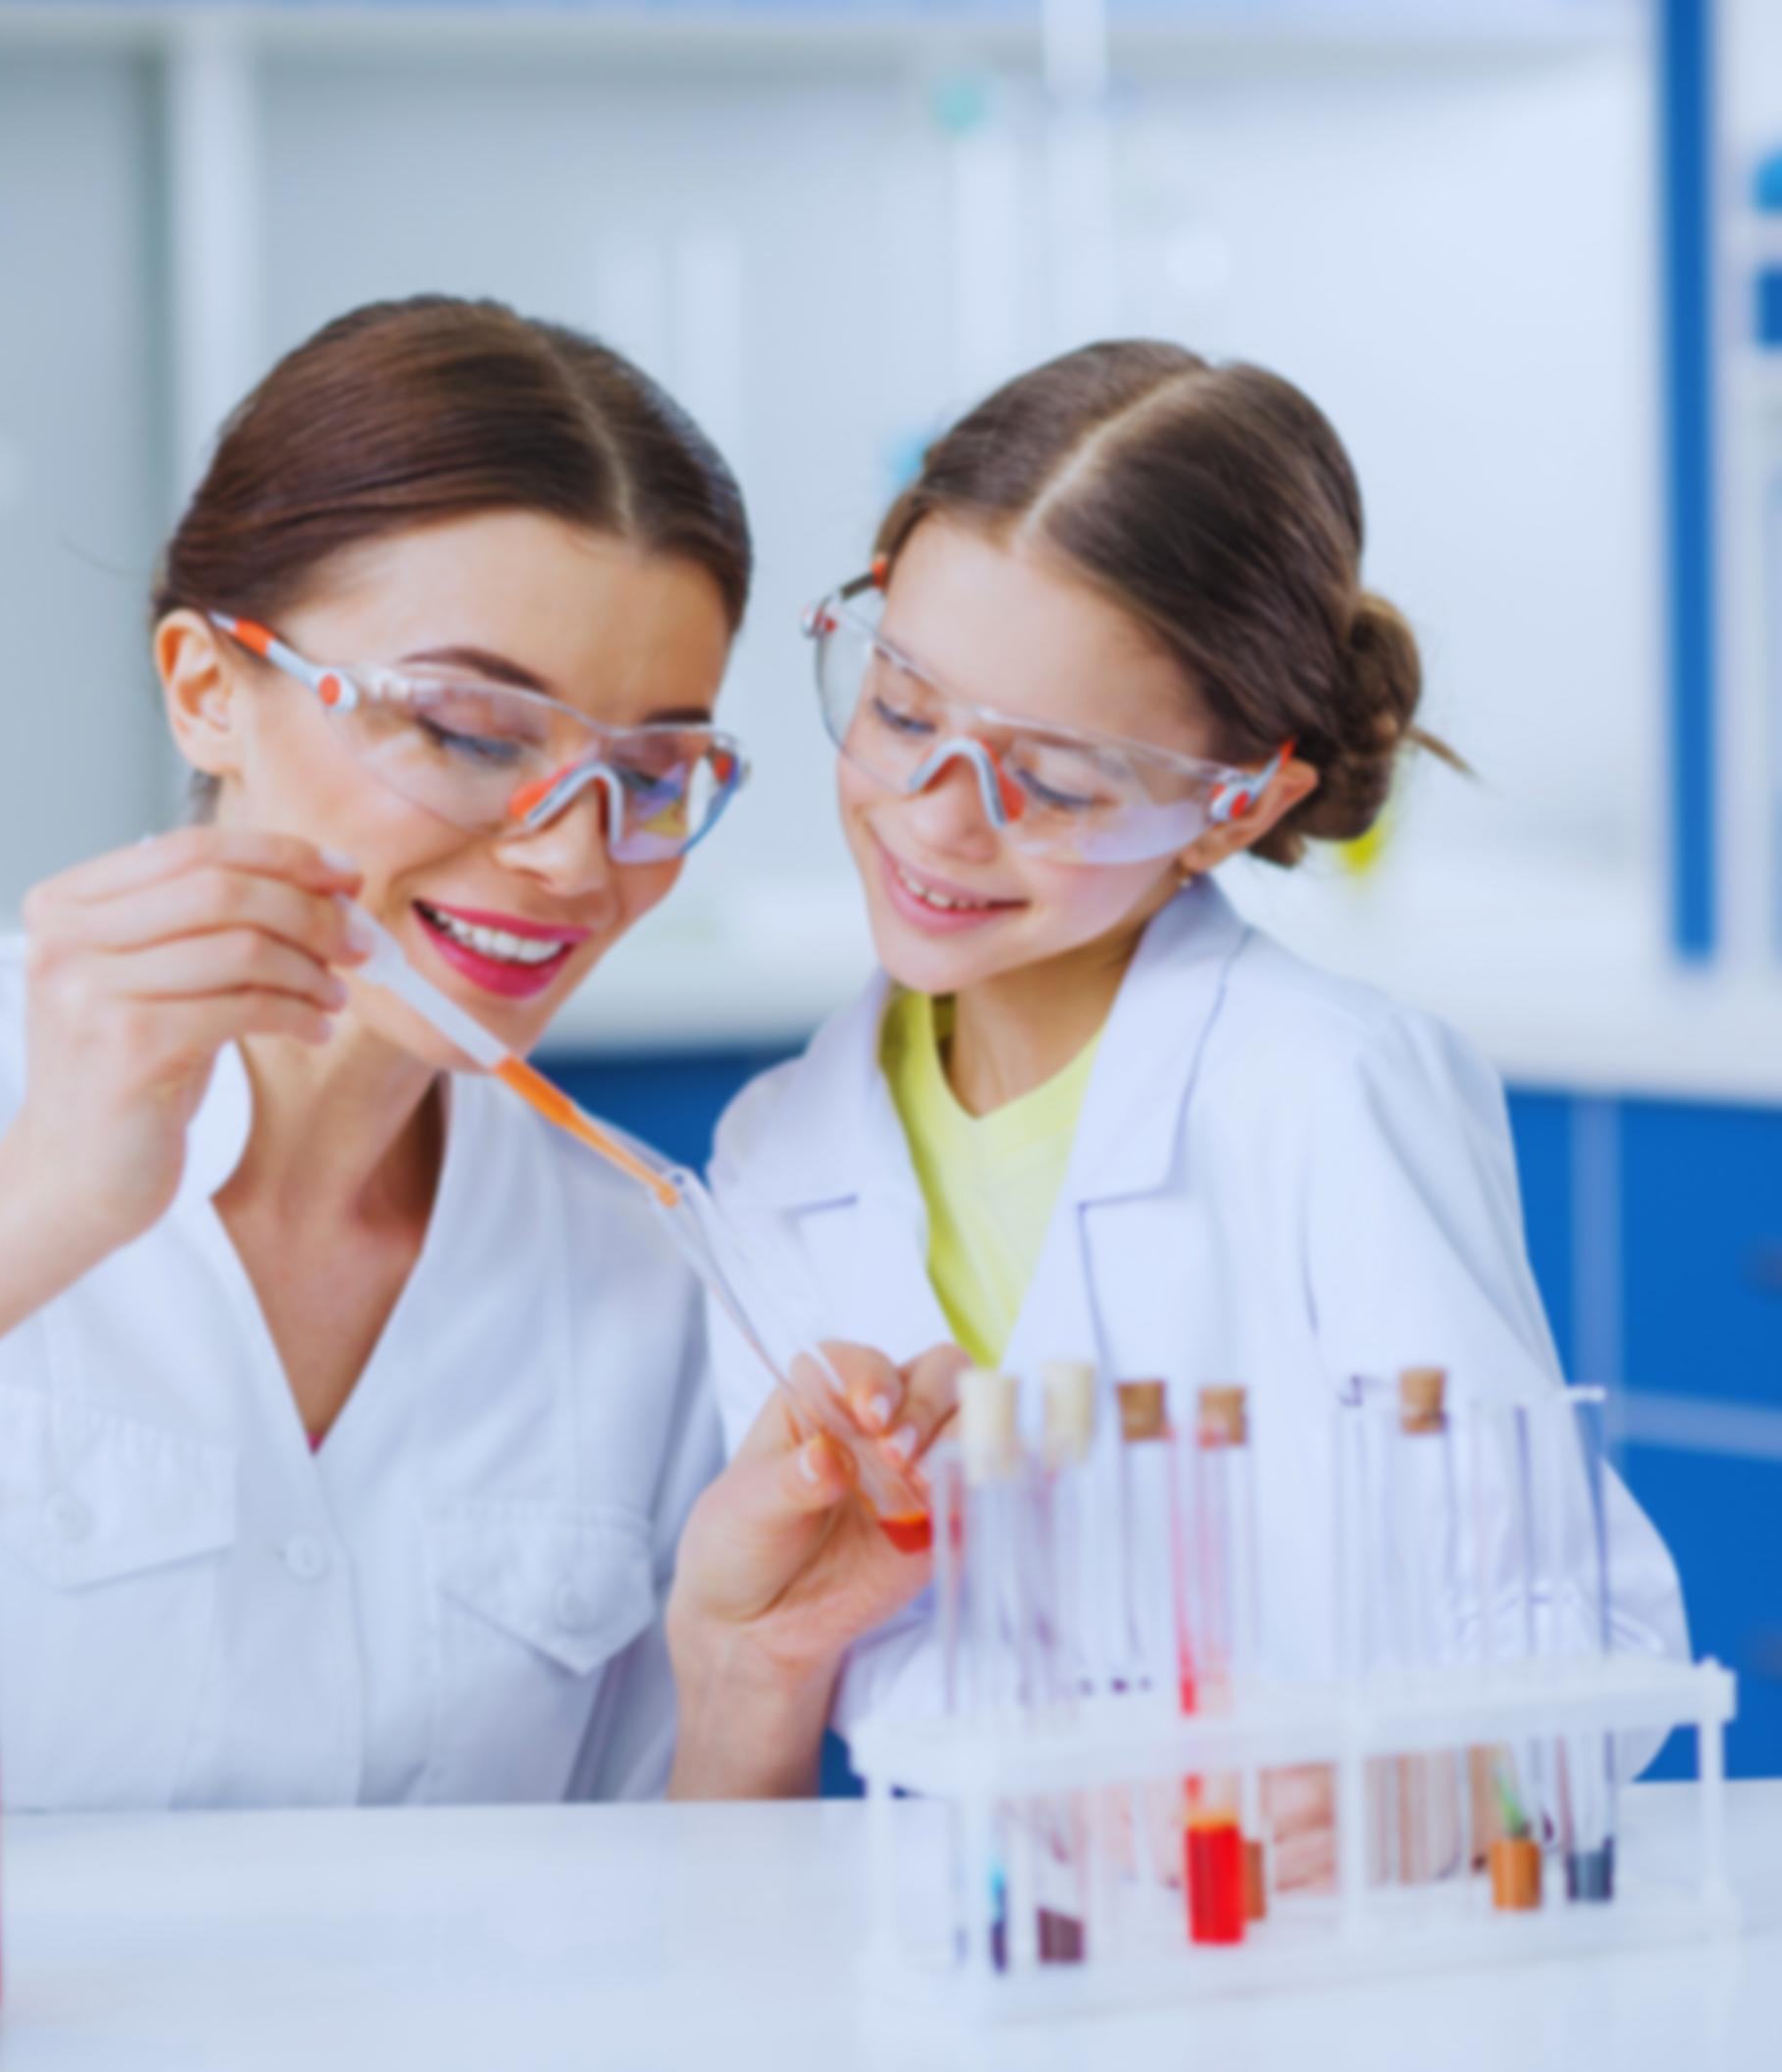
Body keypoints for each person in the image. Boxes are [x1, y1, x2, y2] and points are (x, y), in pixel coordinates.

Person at [0, 293, 951, 1813]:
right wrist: (48, 1195)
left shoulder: (645, 1274)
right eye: (473, 732)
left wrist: (753, 1688)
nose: (571, 858)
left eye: (653, 770)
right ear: (208, 690)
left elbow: (647, 1946)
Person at [695, 341, 1686, 1849]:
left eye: (1067, 781)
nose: (939, 822)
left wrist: (1407, 1800)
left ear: (1241, 807)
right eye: (901, 710)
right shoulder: (780, 1157)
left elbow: (1595, 1645)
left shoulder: (1325, 1094)